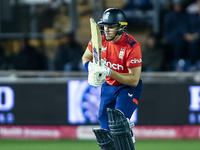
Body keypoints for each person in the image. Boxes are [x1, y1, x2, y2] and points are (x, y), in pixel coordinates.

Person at [82, 8, 142, 150]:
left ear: (121, 27)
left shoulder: (132, 46)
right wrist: (90, 69)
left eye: (111, 27)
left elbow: (134, 79)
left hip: (127, 87)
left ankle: (126, 135)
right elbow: (86, 57)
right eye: (105, 26)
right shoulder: (100, 40)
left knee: (118, 122)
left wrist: (108, 71)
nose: (107, 30)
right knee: (106, 133)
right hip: (108, 87)